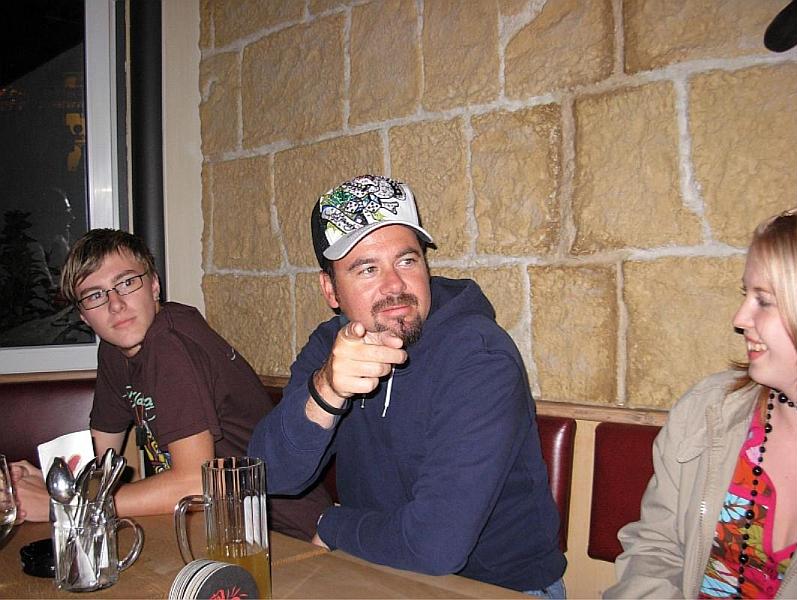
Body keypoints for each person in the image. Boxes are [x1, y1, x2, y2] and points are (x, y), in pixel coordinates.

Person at [247, 174, 567, 596]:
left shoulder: (479, 356)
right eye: (367, 268)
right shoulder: (330, 346)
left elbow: (436, 545)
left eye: (407, 260)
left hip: (497, 589)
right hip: (381, 573)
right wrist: (326, 391)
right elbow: (268, 475)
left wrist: (333, 524)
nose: (394, 285)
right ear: (331, 290)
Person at [11, 228, 330, 540]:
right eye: (95, 295)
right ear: (83, 316)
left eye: (126, 283)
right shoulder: (114, 349)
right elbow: (100, 462)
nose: (115, 304)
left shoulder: (169, 346)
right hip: (217, 527)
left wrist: (69, 507)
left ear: (154, 285)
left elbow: (195, 483)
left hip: (285, 535)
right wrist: (56, 483)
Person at [605, 209, 797, 599]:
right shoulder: (707, 409)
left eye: (763, 301)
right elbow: (654, 547)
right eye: (746, 295)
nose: (740, 318)